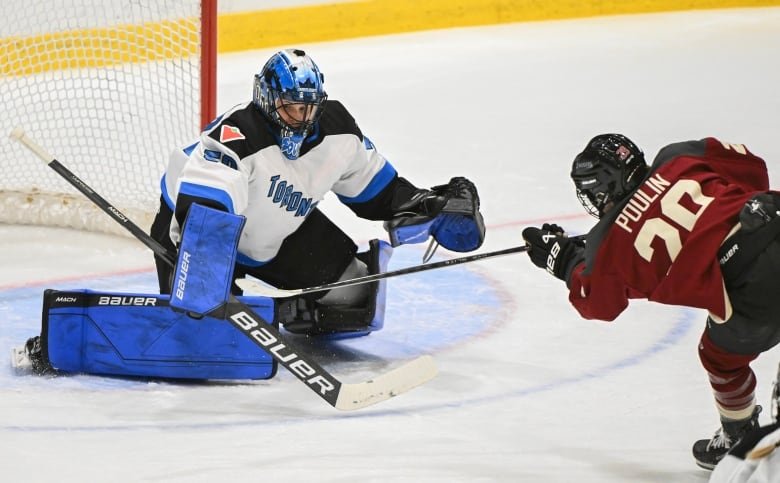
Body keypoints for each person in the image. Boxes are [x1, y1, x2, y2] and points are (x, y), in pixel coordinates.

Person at [12, 48, 485, 380]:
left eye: (308, 108)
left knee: (356, 295)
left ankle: (285, 310)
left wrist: (427, 207)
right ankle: (200, 309)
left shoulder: (338, 131)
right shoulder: (238, 134)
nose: (301, 117)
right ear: (267, 98)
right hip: (198, 232)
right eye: (291, 107)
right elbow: (206, 207)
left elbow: (377, 191)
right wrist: (208, 281)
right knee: (202, 325)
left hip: (277, 233)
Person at [521, 133, 780, 470]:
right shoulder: (678, 156)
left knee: (721, 360)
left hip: (754, 290)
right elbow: (754, 168)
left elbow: (598, 302)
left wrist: (566, 261)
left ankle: (739, 435)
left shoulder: (610, 243)